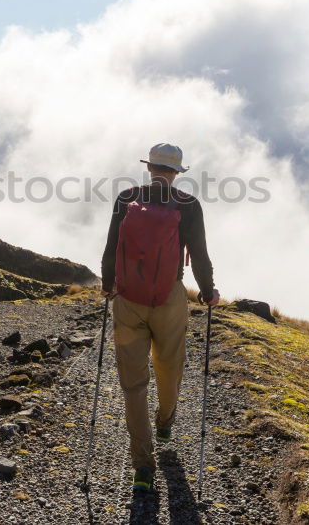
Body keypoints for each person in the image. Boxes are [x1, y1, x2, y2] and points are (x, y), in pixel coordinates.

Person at [101, 143, 219, 493]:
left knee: (133, 384)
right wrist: (208, 290)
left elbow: (110, 248)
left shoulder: (126, 198)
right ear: (177, 172)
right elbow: (199, 254)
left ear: (150, 167)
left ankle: (142, 466)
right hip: (170, 297)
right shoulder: (189, 205)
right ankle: (165, 421)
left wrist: (108, 285)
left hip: (128, 299)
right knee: (169, 367)